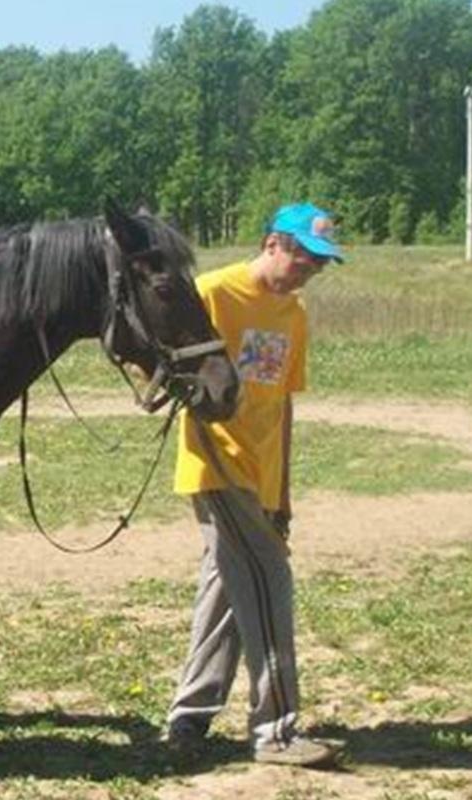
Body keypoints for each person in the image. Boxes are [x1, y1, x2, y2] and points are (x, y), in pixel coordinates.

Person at [164, 202, 344, 768]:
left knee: (225, 590)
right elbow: (158, 356)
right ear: (272, 243)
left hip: (261, 477)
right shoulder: (212, 292)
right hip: (216, 466)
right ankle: (276, 731)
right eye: (301, 257)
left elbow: (282, 405)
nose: (307, 270)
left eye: (318, 264)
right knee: (269, 581)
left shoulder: (294, 313)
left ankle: (188, 717)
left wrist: (282, 493)